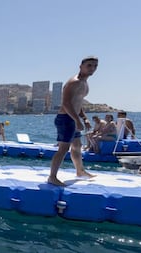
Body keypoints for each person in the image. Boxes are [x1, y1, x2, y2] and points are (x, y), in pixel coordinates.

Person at [47, 56, 98, 186]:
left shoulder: (85, 83)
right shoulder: (74, 82)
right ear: (81, 67)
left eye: (94, 66)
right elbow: (66, 103)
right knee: (63, 149)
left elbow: (77, 104)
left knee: (77, 146)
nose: (92, 68)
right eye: (89, 65)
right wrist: (77, 120)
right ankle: (52, 177)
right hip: (66, 119)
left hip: (72, 118)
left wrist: (84, 118)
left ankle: (80, 171)